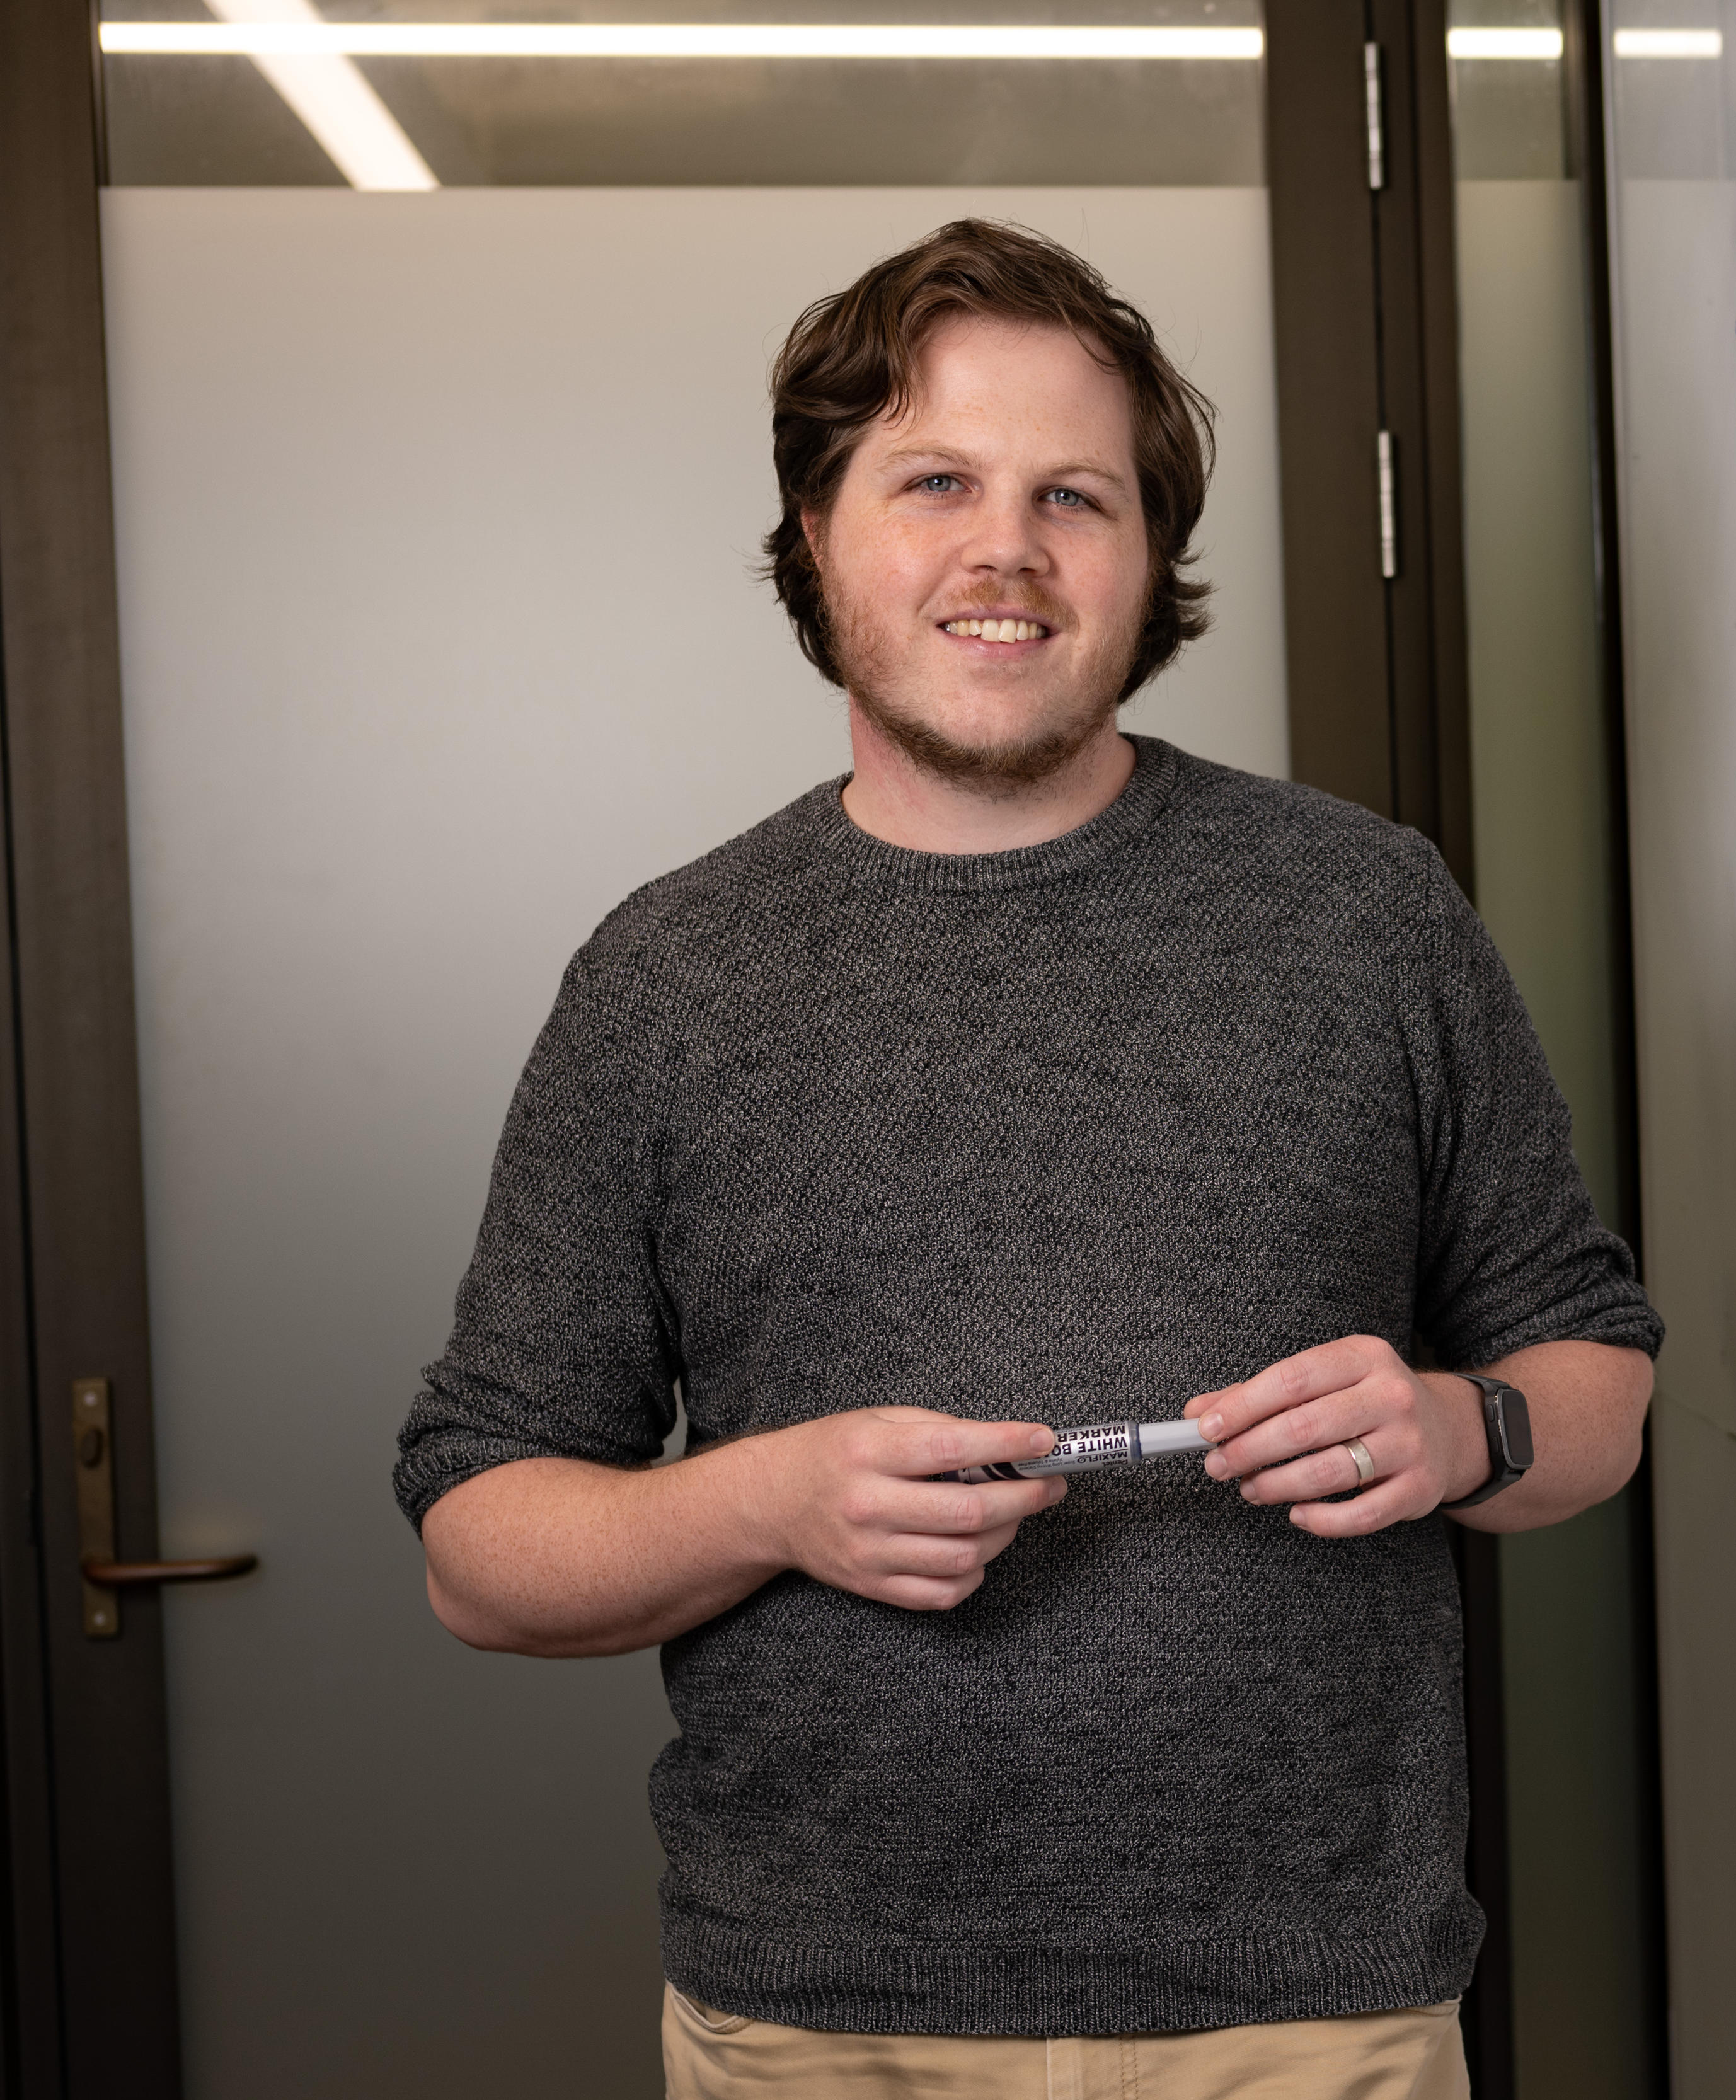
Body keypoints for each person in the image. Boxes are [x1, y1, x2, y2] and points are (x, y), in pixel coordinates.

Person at [393, 217, 1661, 2099]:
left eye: (1076, 494)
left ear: (1150, 567)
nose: (1007, 548)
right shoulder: (668, 978)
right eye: (933, 482)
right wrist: (771, 1504)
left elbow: (1600, 1378)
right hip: (819, 2033)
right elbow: (478, 1548)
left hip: (1314, 2021)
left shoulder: (1365, 914)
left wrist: (1466, 1430)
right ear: (816, 541)